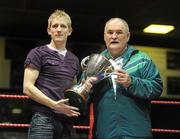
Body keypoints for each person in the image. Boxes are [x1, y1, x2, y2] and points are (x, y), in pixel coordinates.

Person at [85, 17, 163, 139]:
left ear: (128, 36)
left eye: (119, 32)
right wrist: (86, 89)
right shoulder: (94, 63)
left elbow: (157, 88)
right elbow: (80, 102)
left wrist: (131, 82)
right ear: (104, 36)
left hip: (137, 134)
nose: (114, 36)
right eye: (110, 32)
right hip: (105, 134)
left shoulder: (142, 60)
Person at [23, 9, 81, 139]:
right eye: (55, 26)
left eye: (63, 26)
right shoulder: (37, 53)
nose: (59, 29)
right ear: (49, 30)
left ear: (70, 30)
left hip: (66, 121)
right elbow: (27, 88)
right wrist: (54, 105)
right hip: (43, 119)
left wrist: (87, 86)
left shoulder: (74, 59)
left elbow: (73, 89)